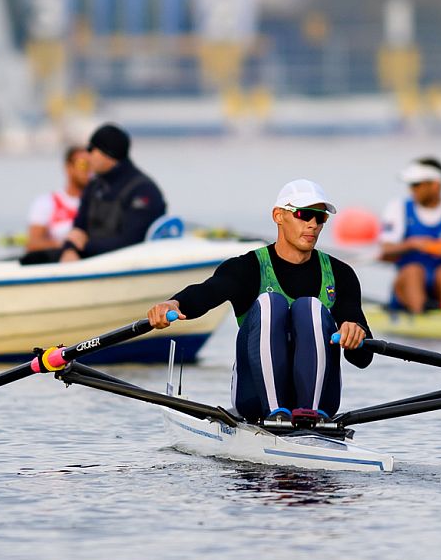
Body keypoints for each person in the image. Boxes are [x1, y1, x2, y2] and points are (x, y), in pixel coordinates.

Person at [148, 179, 372, 423]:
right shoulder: (247, 268)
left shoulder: (340, 274)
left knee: (310, 307)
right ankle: (276, 411)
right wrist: (173, 305)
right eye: (303, 214)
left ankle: (309, 412)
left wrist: (355, 333)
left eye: (321, 218)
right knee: (271, 303)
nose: (313, 225)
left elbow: (363, 359)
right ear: (278, 215)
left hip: (322, 403)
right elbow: (205, 294)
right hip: (254, 399)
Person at [379, 156, 441, 314]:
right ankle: (420, 313)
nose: (411, 190)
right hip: (408, 285)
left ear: (435, 185)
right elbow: (386, 250)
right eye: (411, 185)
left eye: (416, 185)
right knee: (413, 270)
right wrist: (413, 244)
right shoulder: (398, 208)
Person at [58, 123, 165, 261]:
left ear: (108, 153)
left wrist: (85, 246)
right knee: (35, 258)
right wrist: (70, 249)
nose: (87, 156)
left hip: (129, 265)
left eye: (91, 149)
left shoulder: (143, 190)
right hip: (91, 261)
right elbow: (78, 228)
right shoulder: (94, 186)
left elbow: (132, 241)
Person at [20, 145, 93, 265]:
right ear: (68, 168)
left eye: (91, 165)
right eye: (83, 164)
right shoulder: (46, 203)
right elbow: (33, 244)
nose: (88, 170)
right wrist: (68, 245)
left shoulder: (98, 203)